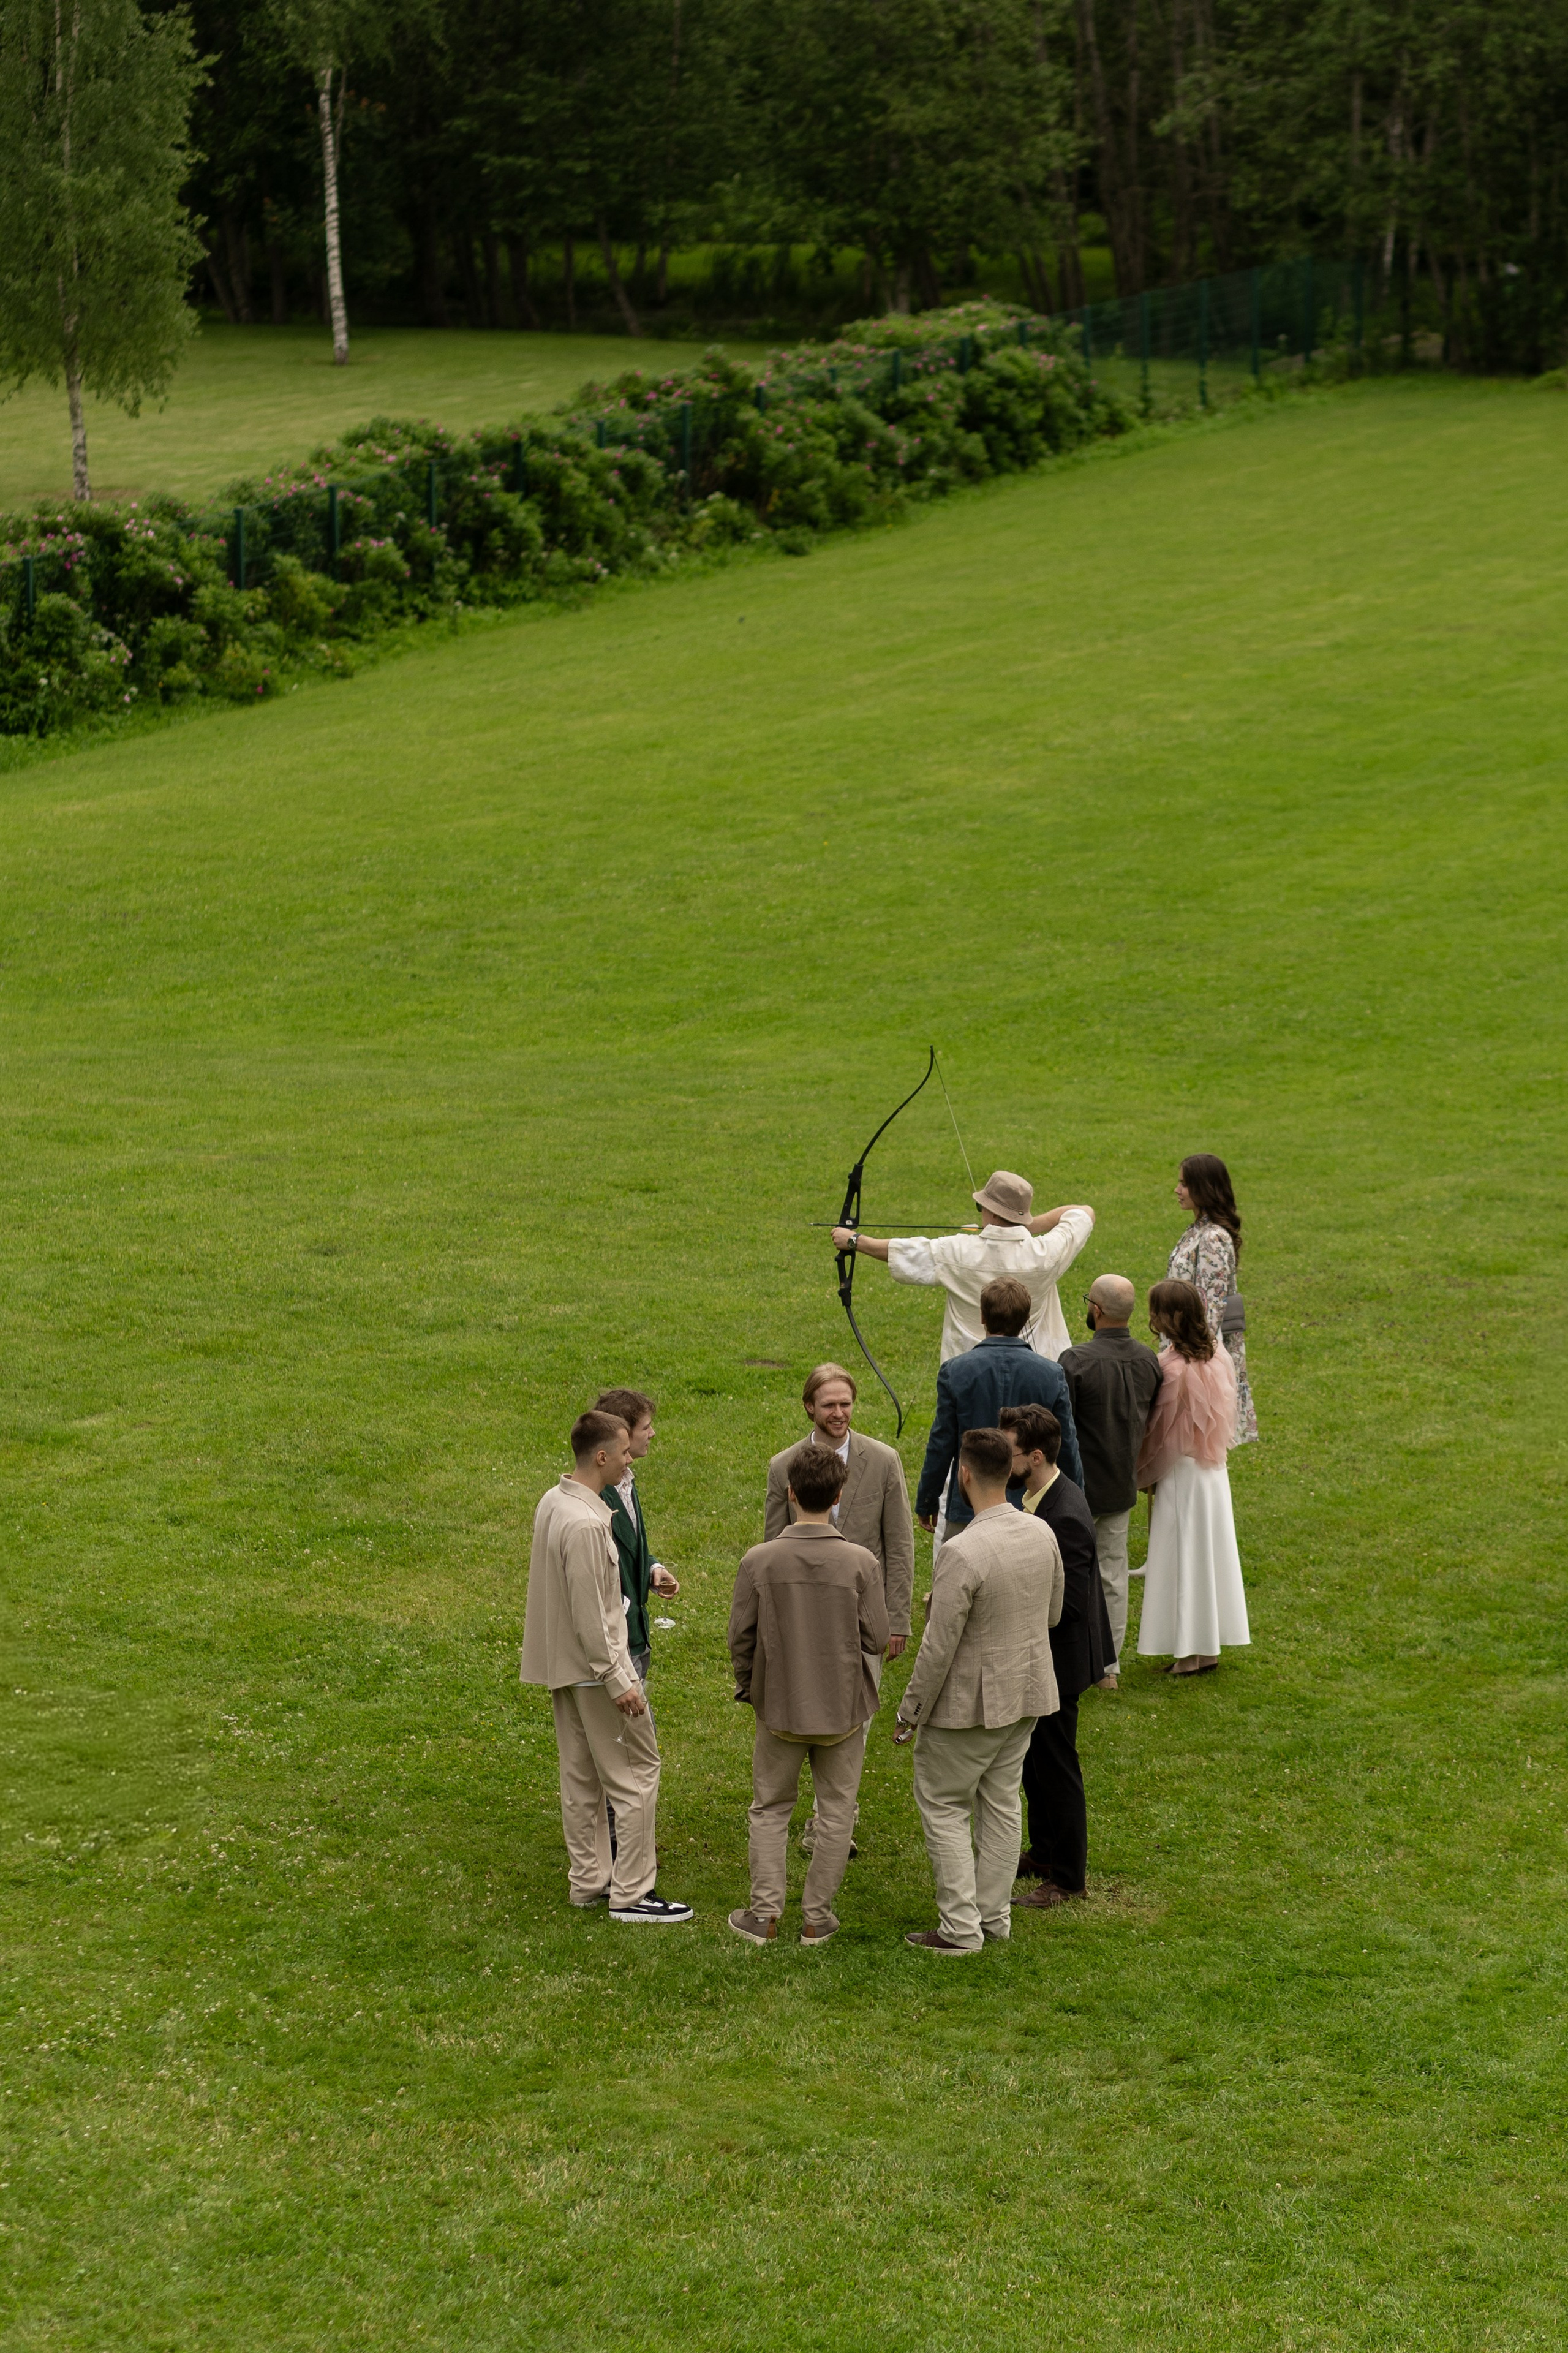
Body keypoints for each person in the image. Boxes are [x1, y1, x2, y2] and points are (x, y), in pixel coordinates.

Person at [893, 1428, 1063, 1954]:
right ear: (1008, 1472)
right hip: (1027, 1694)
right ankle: (993, 1918)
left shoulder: (962, 1552)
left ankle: (960, 1929)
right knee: (1003, 1802)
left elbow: (937, 1647)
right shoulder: (1041, 1532)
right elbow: (1054, 1614)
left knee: (944, 1805)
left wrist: (910, 1711)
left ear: (963, 1474)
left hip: (968, 1708)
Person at [519, 1410, 693, 1924]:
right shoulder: (588, 1523)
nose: (628, 1460)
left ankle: (589, 1881)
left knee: (581, 1778)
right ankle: (633, 1892)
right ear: (601, 1456)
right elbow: (593, 1615)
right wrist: (620, 1679)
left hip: (564, 1668)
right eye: (623, 1452)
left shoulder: (555, 1501)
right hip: (599, 1672)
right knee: (637, 1773)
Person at [727, 1442, 889, 1947]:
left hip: (779, 1706)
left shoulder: (759, 1560)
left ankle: (764, 1913)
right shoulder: (862, 1562)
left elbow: (741, 1638)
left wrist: (750, 1685)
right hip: (843, 1709)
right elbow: (878, 1638)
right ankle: (817, 1917)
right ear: (838, 1495)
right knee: (837, 1811)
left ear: (791, 1493)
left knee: (770, 1808)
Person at [1000, 1405, 1112, 1908]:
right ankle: (1044, 1851)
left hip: (1059, 1663)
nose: (1004, 1461)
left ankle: (1068, 1876)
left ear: (1037, 1456)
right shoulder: (1037, 1497)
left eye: (1011, 1453)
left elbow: (1068, 1605)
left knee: (1056, 1764)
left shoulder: (1064, 1514)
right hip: (1043, 1657)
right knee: (1034, 1762)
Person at [832, 1168, 1095, 1364]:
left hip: (970, 1368)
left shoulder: (957, 1251)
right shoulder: (1048, 1253)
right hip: (1036, 1368)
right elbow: (1083, 1212)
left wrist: (854, 1240)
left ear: (991, 1212)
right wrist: (1027, 1224)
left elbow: (900, 1252)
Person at [1136, 1281, 1251, 1677]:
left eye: (1157, 1312)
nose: (1151, 1319)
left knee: (1184, 1556)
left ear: (1175, 1317)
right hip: (1213, 1475)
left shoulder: (1170, 1368)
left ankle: (1188, 1653)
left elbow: (1159, 1433)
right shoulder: (1218, 1354)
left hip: (1183, 1473)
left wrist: (1141, 1474)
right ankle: (1208, 1648)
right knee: (1210, 1555)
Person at [914, 1278, 1084, 1543]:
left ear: (982, 1316)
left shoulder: (956, 1371)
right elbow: (1065, 1444)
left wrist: (928, 1499)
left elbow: (941, 1443)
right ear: (1026, 1317)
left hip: (972, 1503)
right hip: (1031, 1504)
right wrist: (1077, 1498)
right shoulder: (1051, 1374)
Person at [764, 1364, 914, 1657]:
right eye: (829, 1405)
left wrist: (897, 1620)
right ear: (809, 1406)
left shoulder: (883, 1461)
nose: (839, 1413)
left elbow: (900, 1545)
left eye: (845, 1404)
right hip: (803, 1613)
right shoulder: (783, 1466)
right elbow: (774, 1547)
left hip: (865, 1613)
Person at [1058, 1275, 1164, 1688]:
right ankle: (1109, 1667)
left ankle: (1072, 1661)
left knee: (1069, 1576)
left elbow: (1062, 1427)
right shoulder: (1148, 1360)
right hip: (1121, 1485)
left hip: (1078, 1490)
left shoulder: (1075, 1360)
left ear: (1097, 1310)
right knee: (1114, 1576)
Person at [1167, 1154, 1258, 1446]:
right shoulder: (1198, 1230)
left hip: (1197, 1355)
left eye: (1184, 1184)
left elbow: (1210, 1309)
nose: (1177, 1190)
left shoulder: (1213, 1238)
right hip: (1185, 1346)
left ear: (1204, 1188)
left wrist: (1188, 1364)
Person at [594, 1388, 681, 1688]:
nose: (653, 1433)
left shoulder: (625, 1481)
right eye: (646, 1427)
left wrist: (653, 1569)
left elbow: (629, 1548)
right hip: (618, 1644)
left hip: (636, 1637)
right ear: (623, 1434)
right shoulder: (599, 1493)